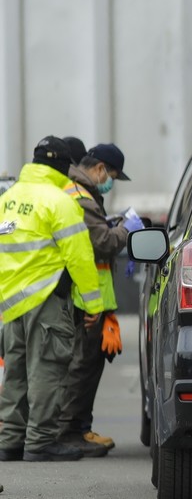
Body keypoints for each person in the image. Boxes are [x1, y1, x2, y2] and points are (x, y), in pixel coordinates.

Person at [0, 136, 103, 462]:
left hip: (11, 303)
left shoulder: (9, 198)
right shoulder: (60, 202)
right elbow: (80, 258)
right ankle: (41, 441)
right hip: (46, 299)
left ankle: (10, 439)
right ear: (62, 167)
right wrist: (93, 305)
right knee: (47, 370)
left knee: (16, 372)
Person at [57, 144, 138, 456]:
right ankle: (71, 432)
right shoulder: (81, 197)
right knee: (82, 367)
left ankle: (79, 429)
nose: (110, 182)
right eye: (112, 176)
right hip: (83, 297)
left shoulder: (83, 194)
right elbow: (101, 243)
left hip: (87, 295)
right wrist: (126, 230)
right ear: (100, 168)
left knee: (86, 365)